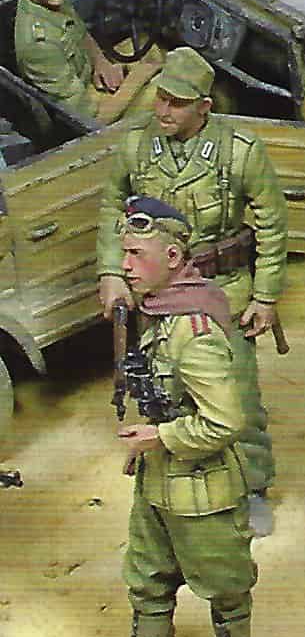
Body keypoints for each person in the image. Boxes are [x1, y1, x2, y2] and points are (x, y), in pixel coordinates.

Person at [79, 198, 257, 637]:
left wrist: (160, 437)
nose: (125, 265)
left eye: (137, 254)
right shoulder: (160, 313)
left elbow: (225, 421)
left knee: (225, 588)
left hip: (204, 490)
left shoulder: (195, 331)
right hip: (158, 480)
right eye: (124, 253)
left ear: (174, 257)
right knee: (147, 578)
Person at [95, 46, 288, 530]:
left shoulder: (238, 151)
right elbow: (112, 205)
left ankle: (252, 486)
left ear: (204, 107)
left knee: (237, 394)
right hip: (157, 295)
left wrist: (265, 296)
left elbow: (271, 221)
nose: (163, 110)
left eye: (177, 103)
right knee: (162, 386)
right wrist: (112, 272)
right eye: (160, 98)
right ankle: (167, 482)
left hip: (223, 290)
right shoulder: (137, 147)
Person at [10, 0, 161, 125]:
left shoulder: (47, 1)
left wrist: (101, 63)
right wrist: (140, 76)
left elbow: (79, 32)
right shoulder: (39, 45)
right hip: (87, 112)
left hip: (90, 77)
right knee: (163, 92)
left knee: (149, 46)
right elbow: (92, 118)